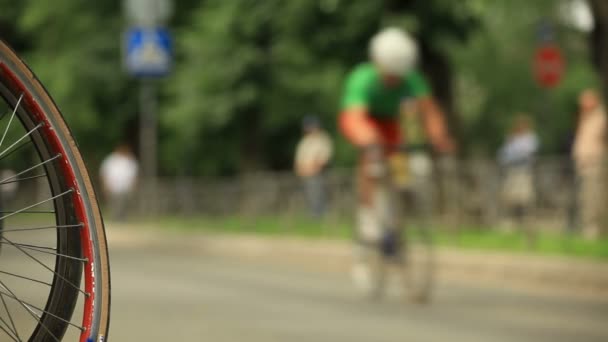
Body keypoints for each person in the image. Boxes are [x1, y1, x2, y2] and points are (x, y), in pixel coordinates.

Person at [338, 27, 453, 292]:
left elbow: (430, 113)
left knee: (403, 163)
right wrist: (368, 141)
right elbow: (355, 118)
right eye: (388, 76)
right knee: (373, 156)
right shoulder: (362, 79)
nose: (392, 81)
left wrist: (438, 138)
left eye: (396, 77)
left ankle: (399, 214)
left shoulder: (412, 80)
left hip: (392, 124)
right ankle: (368, 218)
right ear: (377, 63)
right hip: (365, 120)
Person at [572, 89, 606, 239]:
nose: (583, 105)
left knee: (593, 197)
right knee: (585, 197)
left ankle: (593, 229)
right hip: (583, 163)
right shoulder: (585, 118)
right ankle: (587, 227)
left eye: (586, 101)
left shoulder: (600, 118)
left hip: (594, 162)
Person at [497, 114, 539, 230]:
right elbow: (503, 154)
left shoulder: (530, 138)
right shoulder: (512, 138)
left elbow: (527, 153)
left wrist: (514, 155)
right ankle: (511, 222)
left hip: (523, 172)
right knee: (509, 198)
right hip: (511, 172)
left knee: (524, 198)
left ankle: (526, 223)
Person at [294, 116, 333, 218]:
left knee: (318, 196)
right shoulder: (305, 141)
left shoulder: (323, 139)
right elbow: (299, 159)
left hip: (317, 174)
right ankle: (311, 216)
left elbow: (323, 159)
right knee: (307, 197)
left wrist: (312, 169)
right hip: (304, 174)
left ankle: (319, 217)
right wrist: (301, 170)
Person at [100, 144, 139, 221]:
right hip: (113, 187)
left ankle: (122, 219)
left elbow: (134, 175)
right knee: (114, 204)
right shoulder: (110, 160)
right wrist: (105, 185)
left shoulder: (130, 161)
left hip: (125, 188)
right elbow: (104, 173)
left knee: (124, 205)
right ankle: (115, 218)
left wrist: (133, 186)